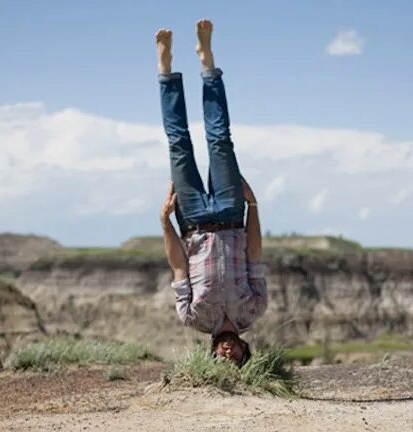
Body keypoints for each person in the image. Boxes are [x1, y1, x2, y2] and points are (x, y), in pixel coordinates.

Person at [156, 19, 268, 367]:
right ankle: (207, 62)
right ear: (246, 350)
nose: (228, 352)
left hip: (191, 220)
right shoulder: (255, 308)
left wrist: (164, 221)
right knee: (220, 140)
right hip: (233, 212)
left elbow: (177, 265)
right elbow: (254, 253)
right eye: (236, 357)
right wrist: (253, 205)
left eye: (222, 357)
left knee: (179, 145)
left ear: (212, 352)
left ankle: (165, 71)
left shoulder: (192, 317)